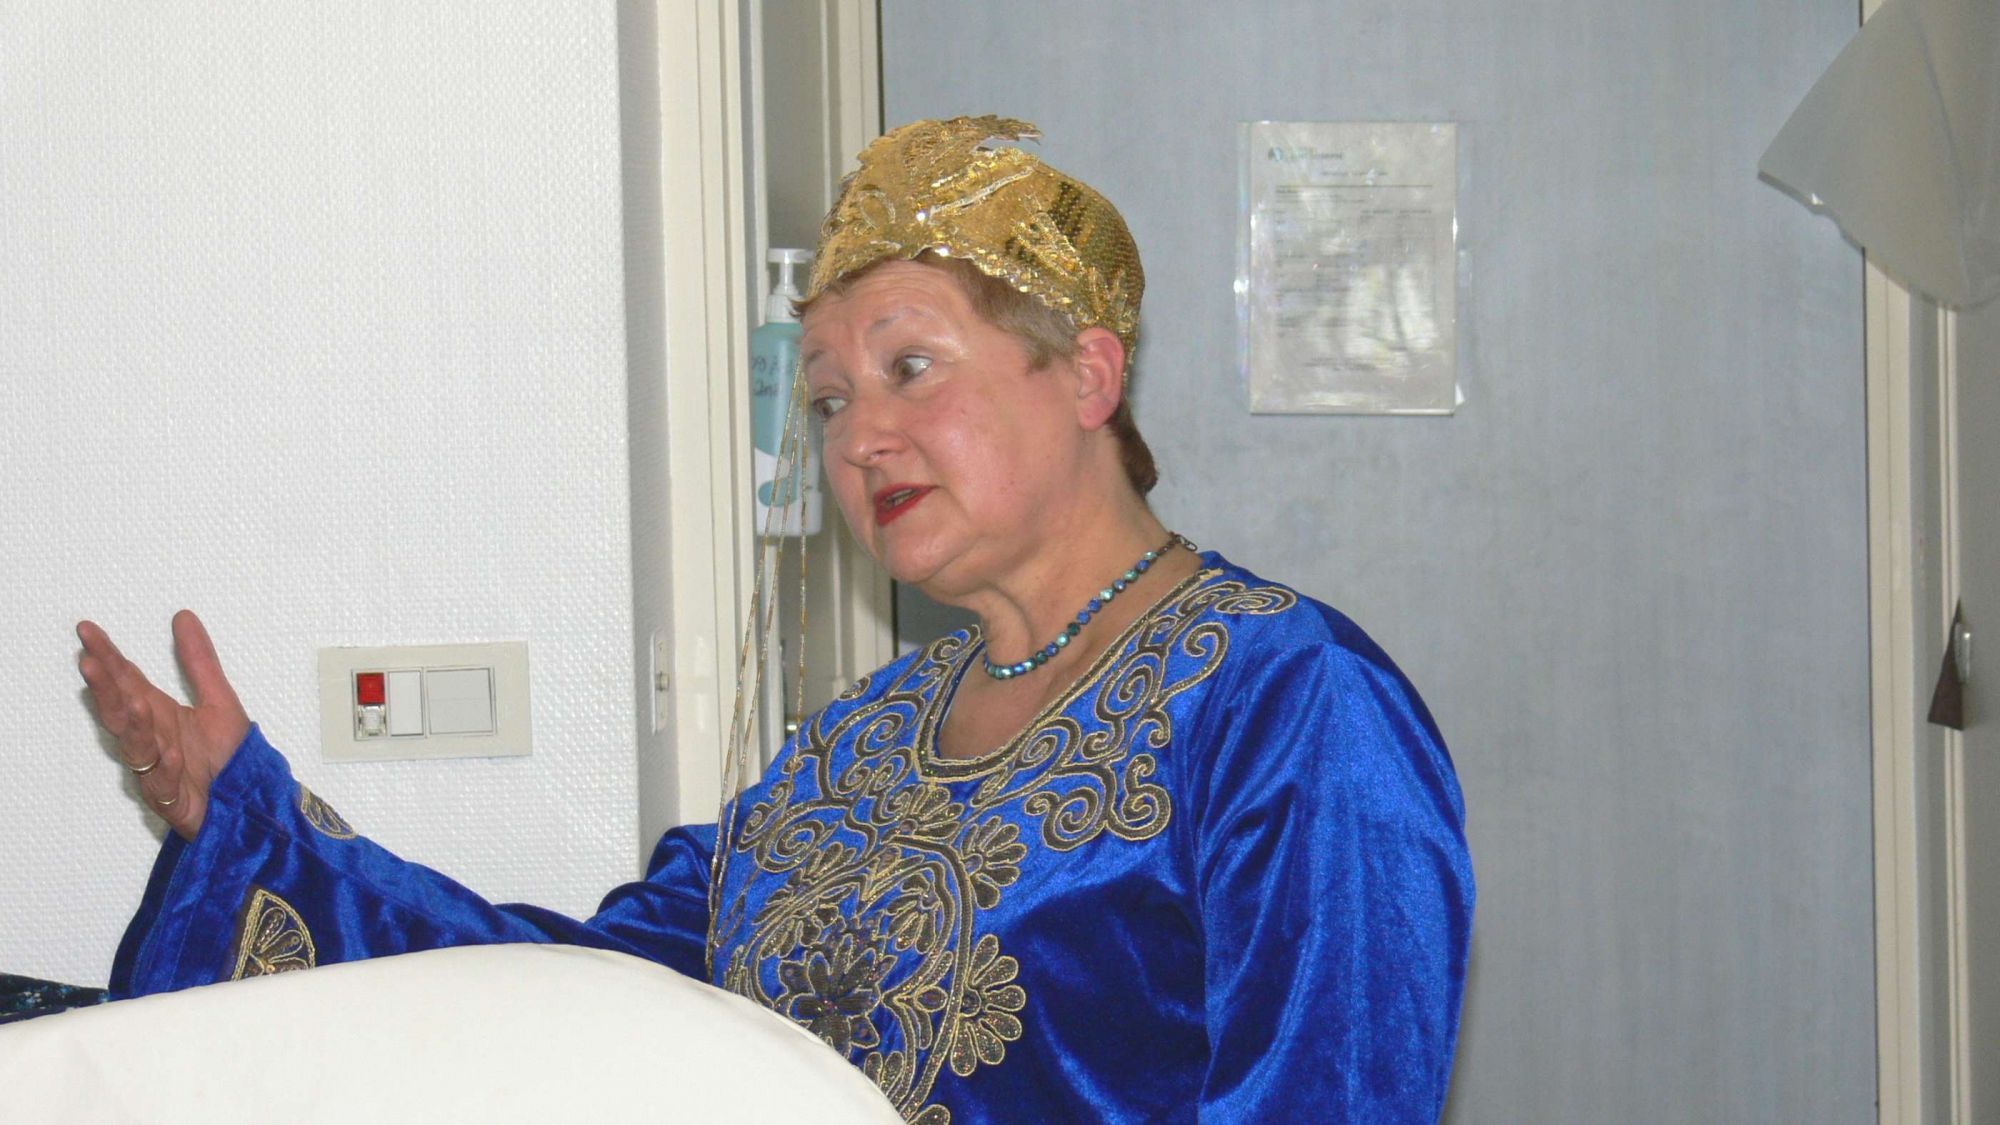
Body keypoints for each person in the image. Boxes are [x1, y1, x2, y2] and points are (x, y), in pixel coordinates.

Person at [77, 116, 1474, 1122]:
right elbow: (593, 986)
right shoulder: (859, 744)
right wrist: (257, 827)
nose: (860, 436)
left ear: (1087, 376)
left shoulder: (1288, 701)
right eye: (829, 399)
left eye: (911, 366)